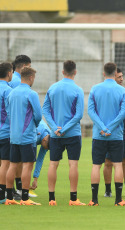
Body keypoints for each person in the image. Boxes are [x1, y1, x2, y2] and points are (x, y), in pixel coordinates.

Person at [42, 60, 85, 206]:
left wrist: (54, 128)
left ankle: (51, 199)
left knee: (53, 164)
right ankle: (73, 199)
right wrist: (65, 129)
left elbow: (45, 110)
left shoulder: (52, 88)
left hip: (55, 134)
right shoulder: (78, 89)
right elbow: (79, 115)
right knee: (73, 164)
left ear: (62, 71)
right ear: (75, 71)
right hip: (72, 133)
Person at [88, 62, 125, 206]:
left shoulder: (95, 88)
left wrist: (103, 127)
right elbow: (123, 112)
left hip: (99, 134)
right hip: (116, 135)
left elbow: (91, 111)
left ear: (103, 73)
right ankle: (118, 200)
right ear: (115, 72)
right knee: (118, 165)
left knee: (96, 166)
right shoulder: (122, 90)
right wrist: (110, 128)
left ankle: (94, 200)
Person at [5, 66, 42, 205]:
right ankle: (25, 198)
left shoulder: (11, 93)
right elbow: (38, 115)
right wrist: (35, 125)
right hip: (27, 136)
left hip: (13, 135)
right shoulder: (31, 94)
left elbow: (8, 113)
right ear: (31, 78)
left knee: (13, 165)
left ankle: (9, 198)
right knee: (27, 166)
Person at [103, 68, 125, 198]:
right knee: (108, 162)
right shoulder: (105, 92)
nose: (121, 79)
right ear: (112, 77)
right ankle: (108, 190)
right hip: (110, 131)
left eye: (122, 76)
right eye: (118, 77)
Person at [9, 55, 32, 199]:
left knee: (11, 162)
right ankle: (18, 191)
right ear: (24, 67)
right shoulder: (18, 83)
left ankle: (12, 191)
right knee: (21, 163)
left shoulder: (10, 81)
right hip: (20, 129)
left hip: (11, 129)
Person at [0, 62, 13, 204]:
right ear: (9, 73)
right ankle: (2, 194)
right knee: (5, 164)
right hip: (5, 132)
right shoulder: (8, 90)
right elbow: (11, 113)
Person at [29, 120, 51, 197]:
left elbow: (40, 159)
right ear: (44, 140)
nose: (45, 149)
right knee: (27, 161)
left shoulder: (49, 138)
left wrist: (35, 179)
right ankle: (21, 188)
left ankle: (23, 188)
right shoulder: (37, 133)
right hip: (27, 134)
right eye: (45, 147)